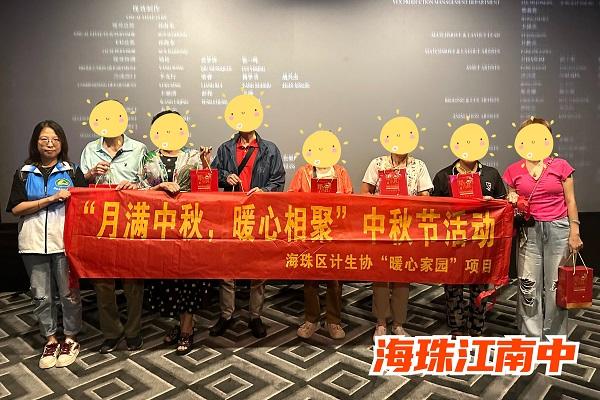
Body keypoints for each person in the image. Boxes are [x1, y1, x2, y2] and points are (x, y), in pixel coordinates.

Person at [6, 120, 86, 368]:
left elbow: (86, 204)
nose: (50, 144)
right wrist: (50, 199)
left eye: (55, 139)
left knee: (69, 294)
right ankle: (50, 339)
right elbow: (16, 208)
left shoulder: (72, 172)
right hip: (32, 242)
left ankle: (70, 338)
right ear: (36, 143)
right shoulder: (24, 173)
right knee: (41, 295)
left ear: (62, 143)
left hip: (64, 242)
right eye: (44, 139)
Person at [138, 110, 212, 354]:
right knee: (168, 278)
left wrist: (205, 164)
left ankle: (187, 329)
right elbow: (139, 189)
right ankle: (181, 324)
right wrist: (158, 187)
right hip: (161, 226)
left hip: (189, 224)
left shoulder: (193, 156)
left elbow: (206, 186)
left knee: (189, 276)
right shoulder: (148, 158)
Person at [210, 98, 285, 338]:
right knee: (226, 266)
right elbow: (212, 175)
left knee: (258, 267)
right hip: (230, 213)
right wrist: (225, 177)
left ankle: (255, 315)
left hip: (258, 213)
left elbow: (278, 180)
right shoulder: (225, 148)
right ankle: (226, 314)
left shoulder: (270, 149)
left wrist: (264, 191)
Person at [503, 117, 583, 338]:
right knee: (528, 284)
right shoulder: (513, 170)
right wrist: (512, 197)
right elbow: (513, 198)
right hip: (529, 230)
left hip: (558, 229)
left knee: (556, 285)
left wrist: (575, 231)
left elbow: (571, 201)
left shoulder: (561, 166)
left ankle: (555, 337)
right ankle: (530, 336)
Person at [80, 99, 147, 353]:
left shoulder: (139, 149)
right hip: (100, 224)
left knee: (133, 281)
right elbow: (80, 186)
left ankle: (133, 331)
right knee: (103, 282)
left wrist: (136, 186)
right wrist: (90, 174)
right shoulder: (90, 150)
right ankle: (111, 332)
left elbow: (150, 183)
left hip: (131, 221)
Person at [431, 121, 507, 337]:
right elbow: (433, 209)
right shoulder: (443, 175)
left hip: (482, 239)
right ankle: (456, 326)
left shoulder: (491, 174)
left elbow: (504, 205)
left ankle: (476, 327)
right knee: (453, 284)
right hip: (453, 239)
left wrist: (491, 202)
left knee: (479, 284)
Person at [361, 115, 433, 338]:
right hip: (381, 226)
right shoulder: (377, 163)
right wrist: (380, 202)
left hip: (407, 227)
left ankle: (399, 323)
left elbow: (426, 196)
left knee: (402, 273)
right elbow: (365, 192)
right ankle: (381, 322)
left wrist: (411, 203)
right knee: (381, 273)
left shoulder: (419, 166)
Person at [288, 130, 353, 340]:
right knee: (310, 278)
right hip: (310, 232)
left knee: (335, 279)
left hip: (335, 232)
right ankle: (311, 319)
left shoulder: (341, 173)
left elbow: (350, 200)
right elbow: (291, 199)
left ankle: (333, 320)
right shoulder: (303, 172)